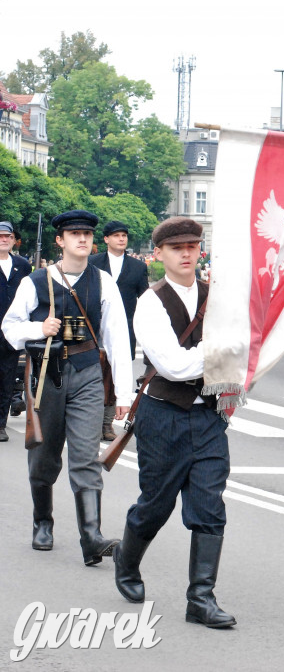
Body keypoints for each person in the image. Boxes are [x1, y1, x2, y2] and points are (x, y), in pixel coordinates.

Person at [110, 216, 235, 628]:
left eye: (193, 246)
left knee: (209, 507)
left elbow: (242, 350)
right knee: (156, 504)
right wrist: (220, 350)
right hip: (163, 415)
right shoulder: (150, 302)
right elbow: (174, 367)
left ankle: (201, 598)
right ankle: (126, 562)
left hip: (208, 415)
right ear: (159, 253)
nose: (186, 253)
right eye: (177, 247)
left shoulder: (217, 296)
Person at [2, 210, 133, 563]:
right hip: (47, 375)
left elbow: (118, 339)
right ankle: (42, 521)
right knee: (43, 456)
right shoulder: (36, 281)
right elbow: (10, 328)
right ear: (60, 241)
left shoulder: (103, 282)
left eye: (88, 235)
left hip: (88, 374)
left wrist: (123, 394)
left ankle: (91, 536)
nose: (83, 240)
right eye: (74, 234)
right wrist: (38, 328)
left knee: (85, 457)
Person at [89, 220, 150, 441]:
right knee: (93, 376)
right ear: (106, 239)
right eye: (116, 236)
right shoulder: (92, 263)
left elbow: (145, 301)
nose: (121, 239)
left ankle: (106, 424)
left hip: (124, 329)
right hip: (94, 328)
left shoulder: (138, 267)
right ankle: (91, 420)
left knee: (116, 378)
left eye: (124, 235)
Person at [0, 220, 31, 443]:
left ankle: (1, 424)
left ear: (13, 240)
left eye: (7, 237)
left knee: (7, 378)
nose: (4, 240)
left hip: (10, 333)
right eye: (0, 236)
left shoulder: (22, 265)